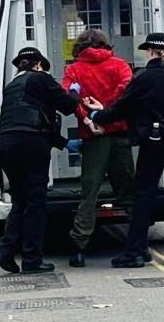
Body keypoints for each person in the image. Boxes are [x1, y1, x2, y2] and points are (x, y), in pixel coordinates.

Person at [84, 32, 164, 268]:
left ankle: (135, 252)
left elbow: (122, 107)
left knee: (143, 195)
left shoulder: (144, 77)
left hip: (155, 141)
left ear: (151, 52)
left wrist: (96, 114)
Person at [0, 47, 80, 274]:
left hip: (5, 146)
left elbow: (32, 120)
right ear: (38, 65)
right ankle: (32, 260)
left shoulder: (11, 88)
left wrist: (61, 143)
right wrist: (75, 92)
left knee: (20, 200)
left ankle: (5, 251)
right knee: (36, 203)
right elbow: (68, 106)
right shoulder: (41, 79)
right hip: (31, 147)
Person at [61, 29, 134, 268]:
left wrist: (90, 120)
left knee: (89, 193)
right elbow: (126, 92)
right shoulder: (120, 65)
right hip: (120, 133)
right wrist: (107, 113)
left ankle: (79, 247)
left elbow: (70, 98)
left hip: (93, 138)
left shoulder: (74, 69)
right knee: (127, 192)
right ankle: (137, 244)